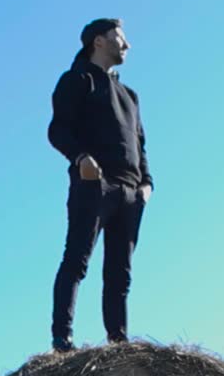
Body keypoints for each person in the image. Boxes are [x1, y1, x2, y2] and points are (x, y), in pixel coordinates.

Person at [47, 18, 153, 353]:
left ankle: (118, 344)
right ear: (98, 41)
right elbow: (57, 129)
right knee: (77, 261)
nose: (127, 44)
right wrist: (80, 158)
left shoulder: (131, 96)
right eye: (120, 37)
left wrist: (147, 185)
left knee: (120, 275)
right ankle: (63, 341)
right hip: (95, 185)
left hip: (132, 191)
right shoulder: (77, 80)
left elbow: (141, 144)